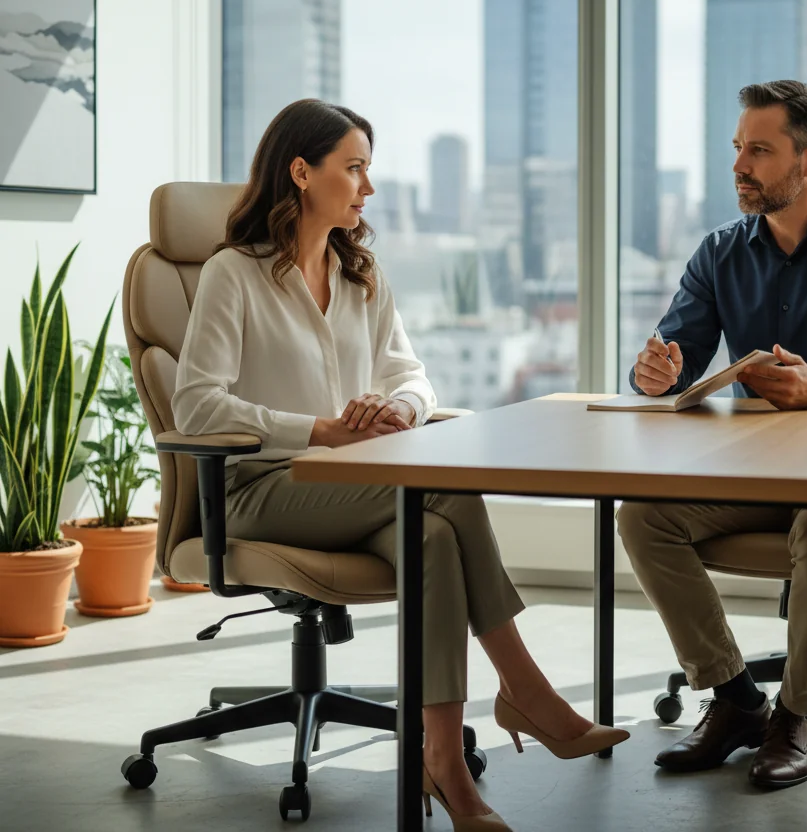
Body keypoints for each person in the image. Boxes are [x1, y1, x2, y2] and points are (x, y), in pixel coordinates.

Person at [172, 99, 628, 832]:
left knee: (435, 537)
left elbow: (413, 375)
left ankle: (444, 765)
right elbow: (196, 408)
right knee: (447, 494)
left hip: (357, 487)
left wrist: (400, 414)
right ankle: (525, 692)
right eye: (353, 169)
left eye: (368, 170)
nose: (367, 188)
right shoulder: (236, 273)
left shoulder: (360, 274)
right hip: (260, 488)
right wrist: (320, 428)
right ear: (301, 172)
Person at [617, 80, 807, 790]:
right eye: (736, 148)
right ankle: (734, 701)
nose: (739, 165)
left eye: (758, 150)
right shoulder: (721, 252)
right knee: (643, 516)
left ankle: (796, 714)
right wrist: (654, 372)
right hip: (755, 479)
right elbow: (675, 359)